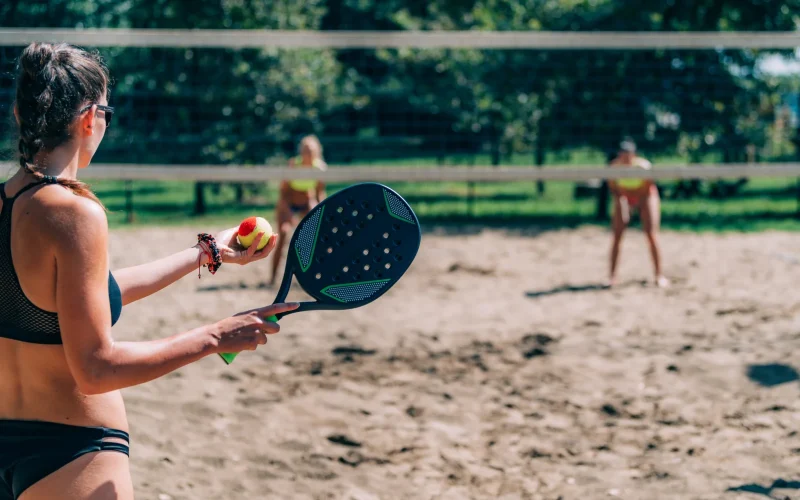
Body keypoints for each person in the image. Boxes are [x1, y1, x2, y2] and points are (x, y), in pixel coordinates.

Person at [0, 42, 298, 500]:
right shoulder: (74, 213)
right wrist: (215, 336)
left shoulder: (9, 203)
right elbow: (96, 369)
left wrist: (206, 252)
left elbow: (71, 300)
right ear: (88, 119)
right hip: (70, 450)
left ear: (22, 115)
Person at [607, 138, 669, 288]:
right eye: (622, 153)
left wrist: (637, 205)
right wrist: (623, 204)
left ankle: (659, 275)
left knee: (650, 233)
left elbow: (647, 187)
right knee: (617, 234)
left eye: (628, 153)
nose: (625, 157)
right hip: (624, 196)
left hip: (645, 195)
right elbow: (614, 188)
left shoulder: (643, 167)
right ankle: (612, 276)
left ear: (633, 155)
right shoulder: (614, 168)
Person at [269, 135, 327, 285]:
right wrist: (288, 213)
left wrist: (323, 212)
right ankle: (272, 278)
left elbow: (319, 193)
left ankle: (310, 277)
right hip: (288, 202)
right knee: (283, 233)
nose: (307, 153)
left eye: (311, 151)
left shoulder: (319, 168)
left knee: (314, 236)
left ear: (317, 152)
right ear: (301, 151)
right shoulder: (293, 165)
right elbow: (283, 194)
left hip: (306, 201)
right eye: (305, 150)